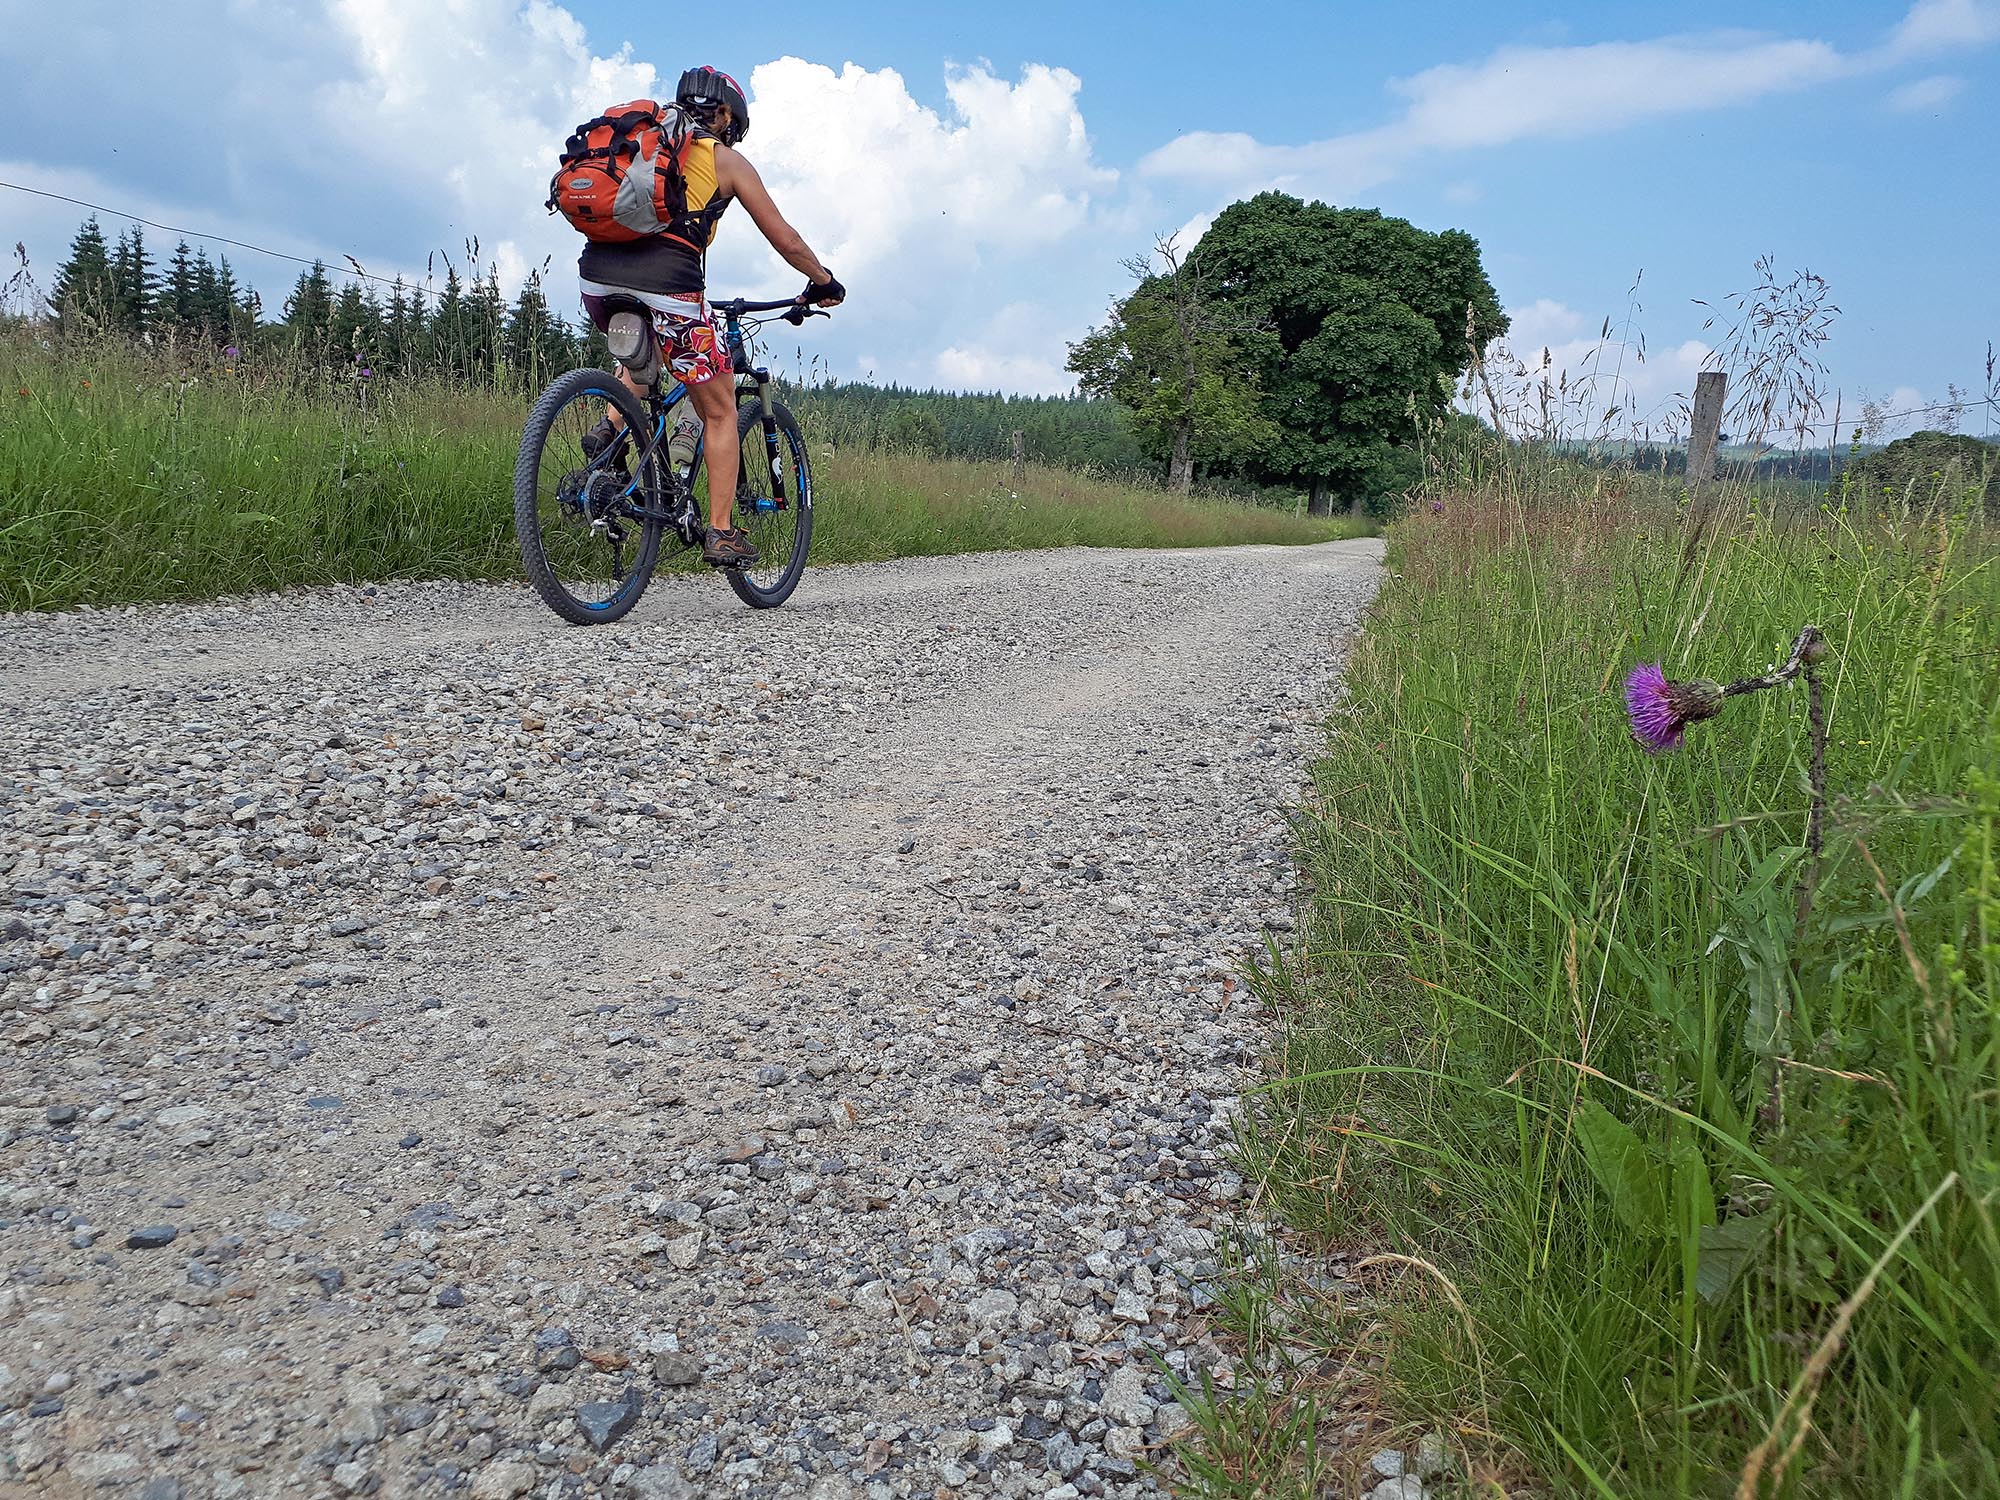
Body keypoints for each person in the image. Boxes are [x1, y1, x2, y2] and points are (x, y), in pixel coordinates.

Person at [578, 66, 844, 568]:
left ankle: (608, 433)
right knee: (720, 410)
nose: (730, 131)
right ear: (722, 115)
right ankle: (721, 532)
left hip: (596, 278)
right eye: (731, 122)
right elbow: (784, 238)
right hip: (670, 285)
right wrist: (824, 280)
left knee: (647, 355)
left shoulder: (640, 145)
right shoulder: (725, 161)